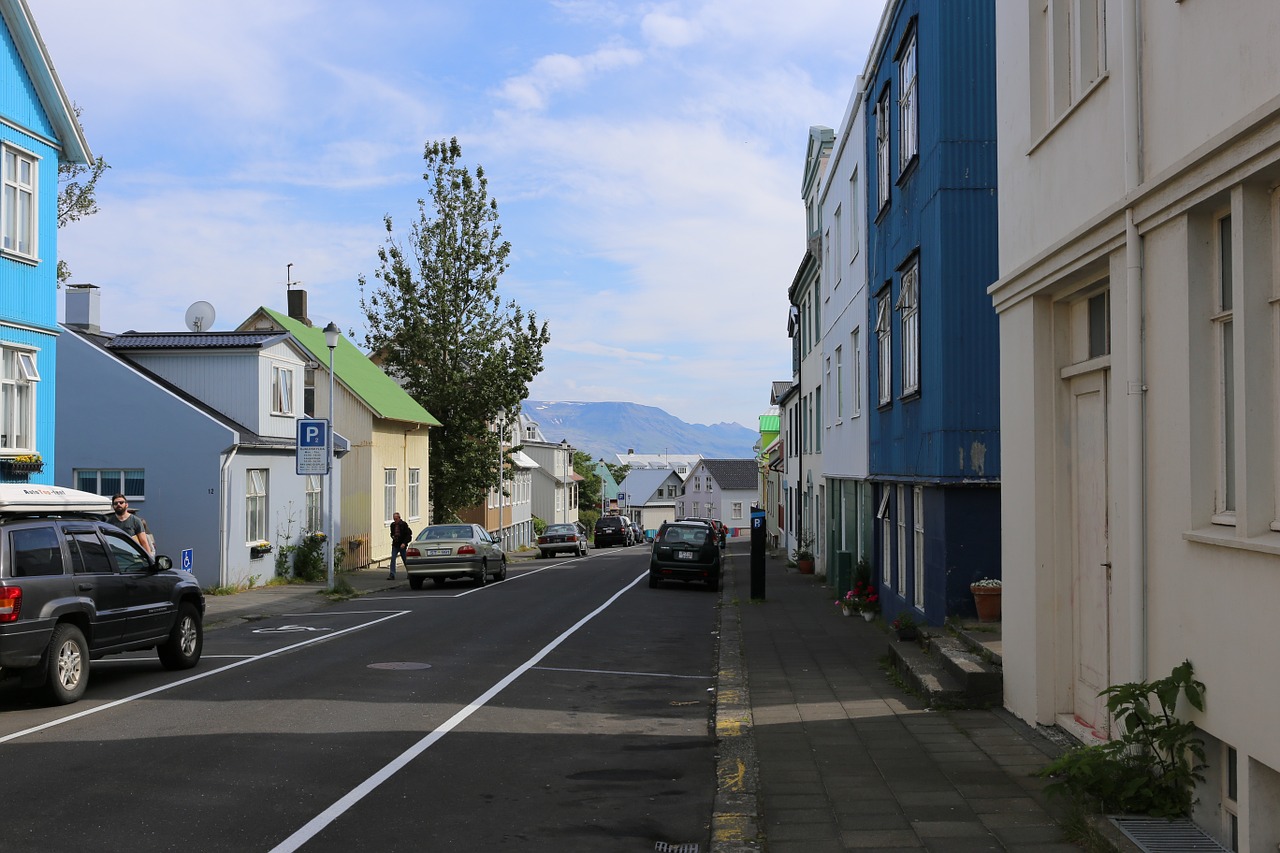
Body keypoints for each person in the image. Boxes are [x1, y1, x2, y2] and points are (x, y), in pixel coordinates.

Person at [388, 511, 412, 580]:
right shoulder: (392, 525)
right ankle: (392, 574)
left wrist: (404, 543)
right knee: (393, 558)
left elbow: (408, 535)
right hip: (395, 544)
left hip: (402, 544)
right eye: (394, 519)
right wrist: (393, 536)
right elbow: (392, 533)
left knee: (405, 559)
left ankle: (410, 573)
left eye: (396, 519)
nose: (395, 520)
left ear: (399, 518)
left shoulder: (404, 525)